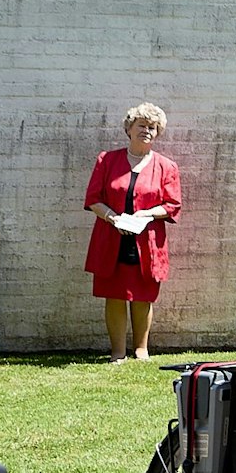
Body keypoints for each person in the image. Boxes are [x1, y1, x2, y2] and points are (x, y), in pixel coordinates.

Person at [83, 103, 181, 361]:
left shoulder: (166, 166)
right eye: (141, 125)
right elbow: (93, 199)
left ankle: (141, 349)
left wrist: (146, 214)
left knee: (142, 296)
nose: (146, 130)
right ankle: (117, 352)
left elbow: (172, 204)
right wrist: (113, 218)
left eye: (152, 127)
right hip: (111, 238)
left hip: (147, 242)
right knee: (114, 295)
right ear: (129, 129)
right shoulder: (107, 160)